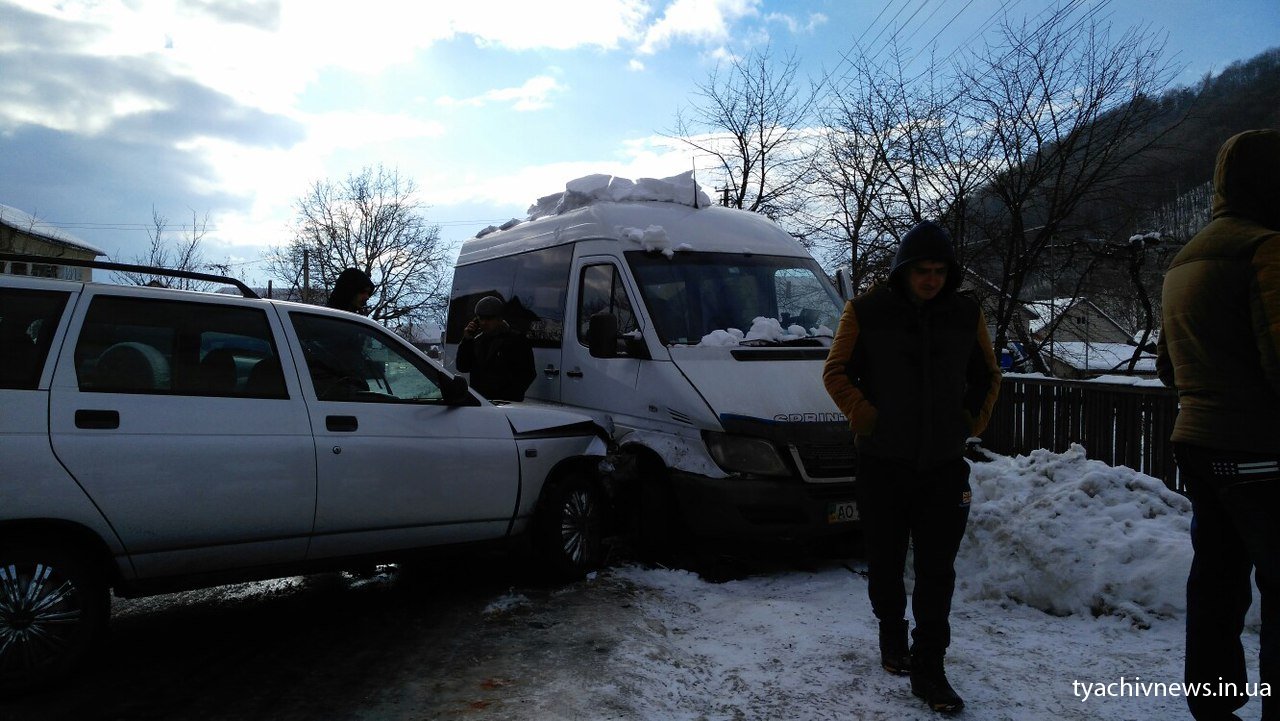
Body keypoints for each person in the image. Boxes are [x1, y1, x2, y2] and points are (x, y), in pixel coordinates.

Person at [823, 220, 1001, 714]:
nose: (931, 279)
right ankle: (891, 638)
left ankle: (930, 668)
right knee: (884, 560)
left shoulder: (967, 313)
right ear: (904, 270)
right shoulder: (864, 310)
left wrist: (969, 421)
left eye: (940, 271)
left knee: (936, 570)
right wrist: (867, 417)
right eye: (922, 270)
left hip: (943, 465)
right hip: (883, 463)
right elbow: (835, 370)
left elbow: (987, 373)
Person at [1157, 129, 1279, 721]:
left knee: (1217, 585)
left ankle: (1213, 708)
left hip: (1198, 441)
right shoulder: (1266, 247)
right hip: (1260, 446)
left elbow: (1164, 365)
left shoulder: (1186, 258)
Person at [455, 295, 536, 402]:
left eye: (489, 318)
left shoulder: (516, 340)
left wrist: (510, 396)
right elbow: (463, 367)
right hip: (481, 403)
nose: (484, 322)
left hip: (505, 403)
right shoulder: (477, 341)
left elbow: (528, 373)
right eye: (481, 318)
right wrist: (467, 340)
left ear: (499, 319)